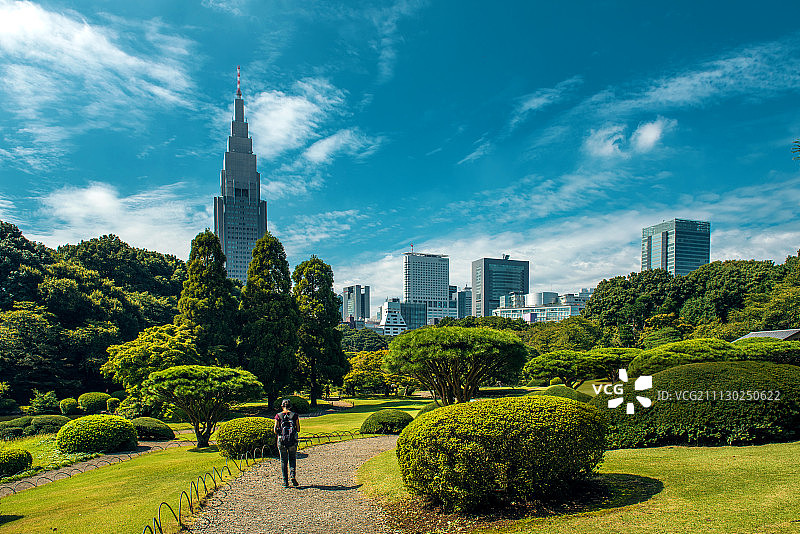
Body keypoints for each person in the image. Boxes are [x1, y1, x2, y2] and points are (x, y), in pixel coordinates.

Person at [274, 398, 300, 487]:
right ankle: (292, 475)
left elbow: (275, 429)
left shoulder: (278, 416)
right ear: (290, 406)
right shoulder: (294, 415)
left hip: (282, 440)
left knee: (283, 460)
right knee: (292, 458)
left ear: (282, 406)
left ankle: (285, 481)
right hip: (292, 440)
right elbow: (298, 429)